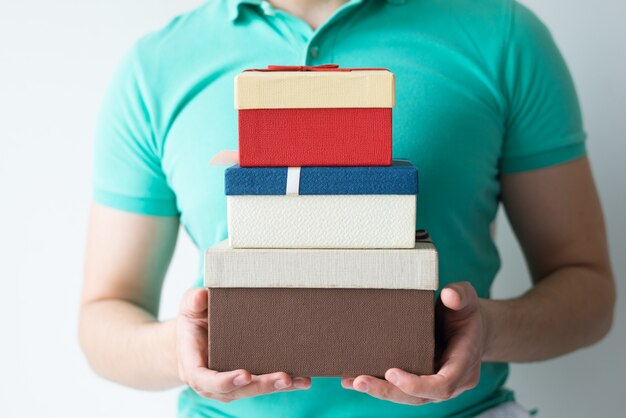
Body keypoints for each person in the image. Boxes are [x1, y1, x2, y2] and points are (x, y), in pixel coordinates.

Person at [78, 0, 616, 416]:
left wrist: (486, 333)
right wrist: (180, 349)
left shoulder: (504, 35)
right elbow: (105, 314)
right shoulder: (155, 67)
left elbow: (587, 290)